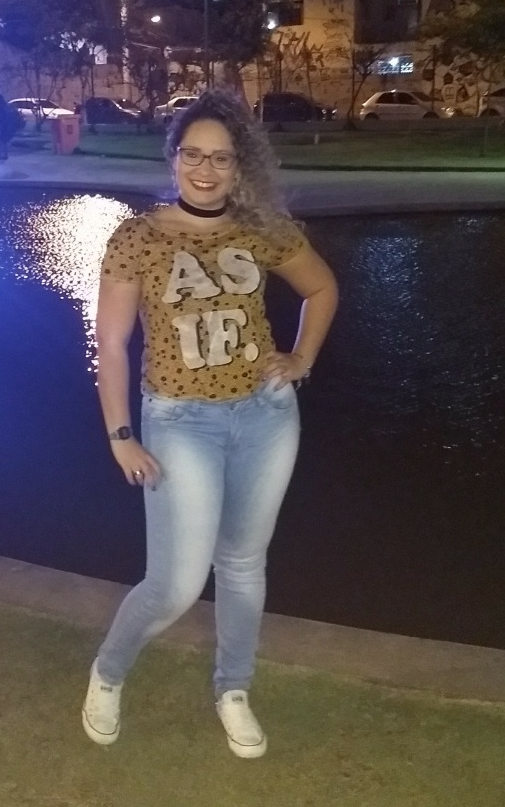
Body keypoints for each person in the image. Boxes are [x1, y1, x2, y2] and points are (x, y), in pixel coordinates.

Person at [83, 90, 338, 758]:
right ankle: (108, 671)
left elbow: (321, 289)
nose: (205, 169)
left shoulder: (262, 229)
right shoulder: (138, 237)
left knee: (245, 564)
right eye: (193, 154)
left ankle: (233, 688)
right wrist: (120, 435)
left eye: (220, 158)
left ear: (238, 165)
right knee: (174, 584)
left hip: (266, 414)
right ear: (173, 158)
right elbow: (111, 344)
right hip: (180, 421)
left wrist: (301, 359)